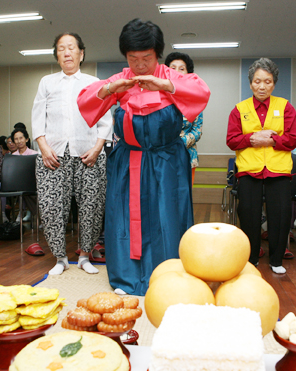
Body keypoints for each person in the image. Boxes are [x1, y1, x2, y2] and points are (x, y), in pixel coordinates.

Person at [77, 18, 210, 294]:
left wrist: (164, 85)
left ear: (157, 54)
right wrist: (111, 89)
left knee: (167, 216)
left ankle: (167, 277)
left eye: (146, 58)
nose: (139, 65)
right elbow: (85, 102)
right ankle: (127, 279)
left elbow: (201, 92)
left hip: (167, 162)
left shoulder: (170, 76)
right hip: (129, 162)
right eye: (132, 58)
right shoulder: (122, 78)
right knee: (124, 217)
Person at [32, 32, 113, 276]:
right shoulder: (47, 82)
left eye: (71, 48)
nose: (66, 52)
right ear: (57, 55)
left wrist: (98, 147)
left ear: (81, 53)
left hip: (89, 152)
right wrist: (44, 147)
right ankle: (60, 258)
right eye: (61, 49)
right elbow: (37, 117)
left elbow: (105, 119)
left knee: (91, 205)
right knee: (52, 206)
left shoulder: (93, 81)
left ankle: (85, 256)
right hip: (53, 154)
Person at [226, 58, 296, 275]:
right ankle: (251, 259)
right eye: (257, 81)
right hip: (249, 170)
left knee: (280, 215)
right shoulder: (239, 109)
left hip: (278, 170)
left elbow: (293, 138)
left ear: (274, 84)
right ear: (250, 83)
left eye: (267, 82)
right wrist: (252, 138)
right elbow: (232, 140)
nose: (262, 86)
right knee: (248, 214)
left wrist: (271, 141)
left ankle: (276, 259)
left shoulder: (285, 107)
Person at [164, 52, 203, 185]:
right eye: (172, 68)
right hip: (161, 156)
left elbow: (198, 130)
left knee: (184, 198)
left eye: (182, 68)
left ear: (188, 73)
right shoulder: (158, 97)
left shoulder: (195, 99)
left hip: (186, 155)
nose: (177, 72)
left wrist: (179, 144)